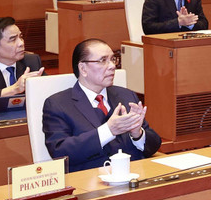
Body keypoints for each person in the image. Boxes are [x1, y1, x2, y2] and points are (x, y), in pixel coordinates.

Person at [42, 39, 161, 172]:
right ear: (83, 68)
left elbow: (154, 145)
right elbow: (60, 152)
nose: (112, 66)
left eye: (113, 59)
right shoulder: (58, 104)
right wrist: (108, 131)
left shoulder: (126, 95)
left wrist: (137, 134)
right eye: (103, 60)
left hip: (134, 175)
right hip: (89, 179)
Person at [0, 17, 44, 114]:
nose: (21, 43)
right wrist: (14, 89)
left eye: (21, 37)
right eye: (13, 39)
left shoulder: (32, 61)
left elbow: (48, 92)